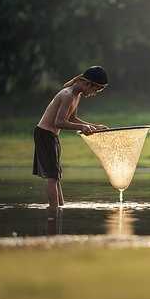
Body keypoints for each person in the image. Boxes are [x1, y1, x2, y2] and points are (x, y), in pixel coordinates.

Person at [33, 66, 109, 208]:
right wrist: (82, 128)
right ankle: (54, 210)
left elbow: (72, 118)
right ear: (87, 84)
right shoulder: (67, 95)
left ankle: (60, 207)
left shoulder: (76, 95)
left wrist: (94, 126)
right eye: (95, 90)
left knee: (56, 175)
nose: (94, 93)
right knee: (52, 176)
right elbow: (59, 122)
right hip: (44, 134)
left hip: (51, 136)